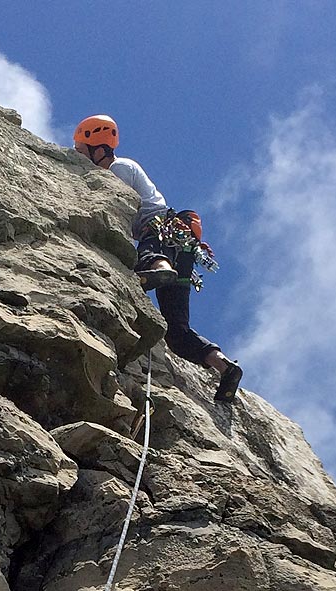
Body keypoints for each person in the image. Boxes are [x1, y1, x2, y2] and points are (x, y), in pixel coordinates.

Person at [74, 114, 244, 404]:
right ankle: (224, 366)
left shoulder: (120, 167)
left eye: (82, 151)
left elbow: (118, 205)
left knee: (147, 256)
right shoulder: (123, 167)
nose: (82, 159)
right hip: (182, 248)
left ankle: (159, 269)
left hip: (161, 232)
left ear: (97, 146)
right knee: (176, 332)